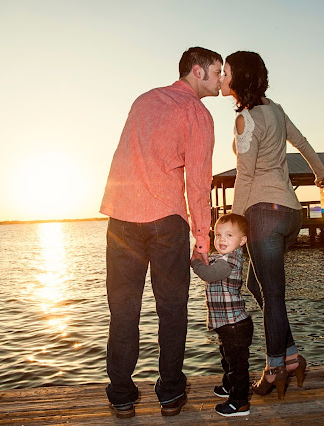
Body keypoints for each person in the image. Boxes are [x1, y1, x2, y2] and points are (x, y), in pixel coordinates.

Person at [99, 47, 223, 418]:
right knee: (172, 310)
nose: (221, 80)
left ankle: (121, 393)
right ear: (198, 71)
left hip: (121, 220)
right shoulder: (197, 113)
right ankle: (170, 393)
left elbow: (126, 154)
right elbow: (198, 182)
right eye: (217, 72)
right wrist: (203, 239)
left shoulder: (144, 100)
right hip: (166, 222)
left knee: (123, 311)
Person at [220, 51, 324, 399]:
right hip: (290, 214)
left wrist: (231, 226)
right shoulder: (277, 110)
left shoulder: (247, 119)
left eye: (225, 72)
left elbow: (245, 174)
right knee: (260, 285)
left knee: (272, 294)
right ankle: (292, 356)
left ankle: (273, 369)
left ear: (238, 79)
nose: (221, 77)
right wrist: (322, 173)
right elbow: (302, 143)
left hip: (263, 215)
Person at [191, 213, 253, 417]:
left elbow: (208, 274)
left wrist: (196, 262)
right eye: (218, 235)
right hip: (227, 323)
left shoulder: (231, 260)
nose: (221, 240)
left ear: (242, 241)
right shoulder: (221, 258)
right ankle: (229, 387)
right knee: (227, 360)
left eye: (228, 235)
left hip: (235, 323)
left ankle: (239, 402)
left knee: (237, 364)